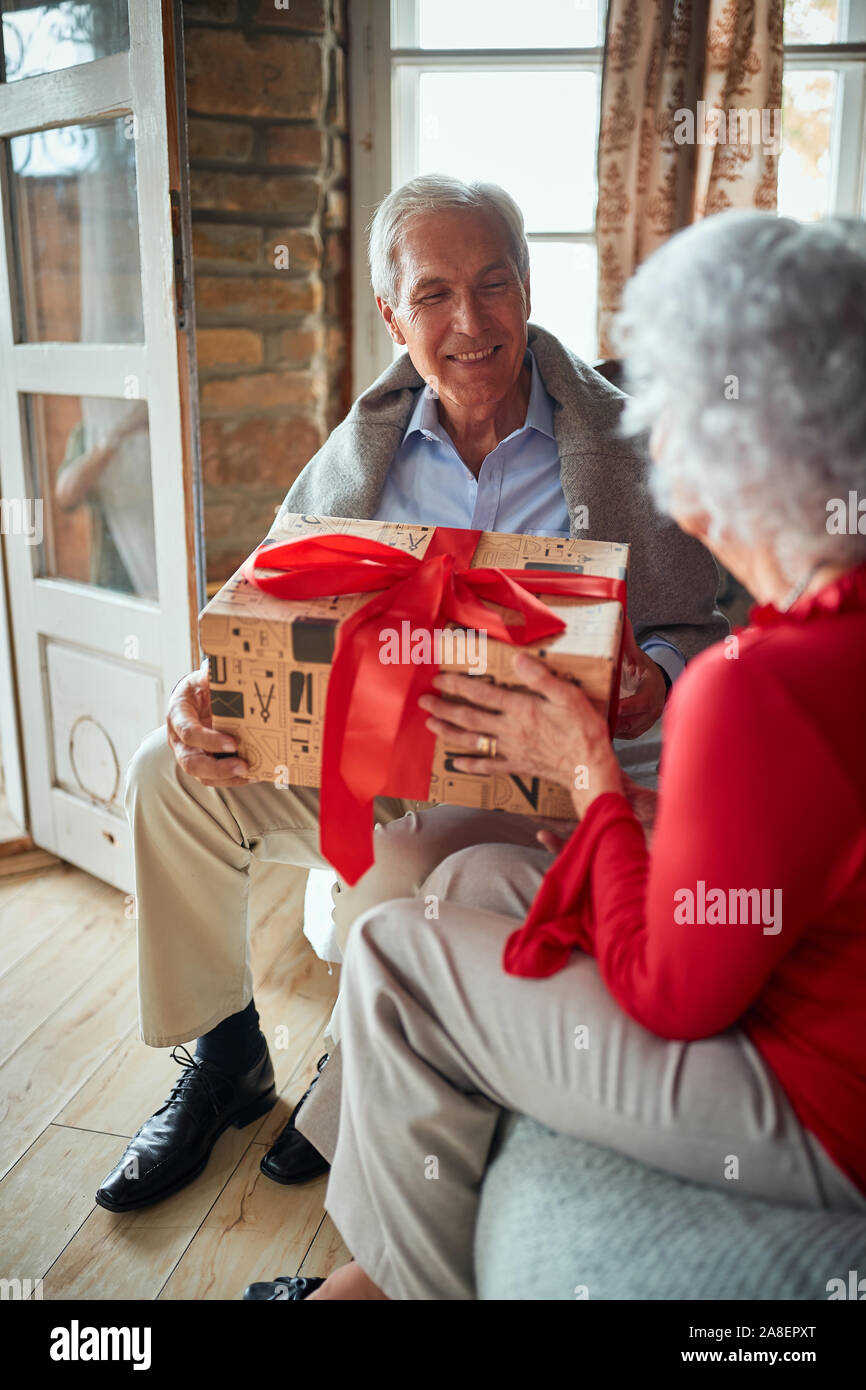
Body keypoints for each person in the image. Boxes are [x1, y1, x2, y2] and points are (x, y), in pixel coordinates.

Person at [244, 210, 866, 1301]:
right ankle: (385, 1252)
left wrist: (587, 770)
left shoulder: (752, 685)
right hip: (806, 995)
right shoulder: (817, 635)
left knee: (393, 948)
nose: (657, 449)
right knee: (474, 877)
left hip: (818, 1103)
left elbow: (678, 998)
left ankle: (399, 1288)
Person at [95, 175, 724, 1213]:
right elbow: (262, 593)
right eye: (432, 294)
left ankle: (355, 1092)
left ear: (527, 288)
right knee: (170, 776)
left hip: (523, 781)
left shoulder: (620, 446)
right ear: (392, 315)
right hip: (368, 752)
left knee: (418, 854)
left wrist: (650, 676)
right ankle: (225, 1057)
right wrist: (201, 690)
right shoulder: (366, 446)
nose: (468, 322)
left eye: (492, 285)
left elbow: (697, 626)